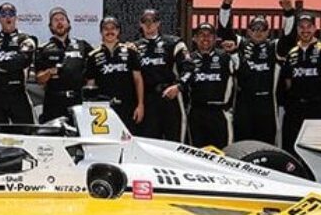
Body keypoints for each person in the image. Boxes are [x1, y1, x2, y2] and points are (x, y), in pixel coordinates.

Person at [218, 0, 297, 143]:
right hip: (243, 103)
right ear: (248, 31)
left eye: (263, 29)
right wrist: (226, 5)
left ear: (268, 32)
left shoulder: (274, 47)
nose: (258, 32)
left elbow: (289, 37)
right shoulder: (240, 43)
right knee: (241, 142)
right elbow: (225, 31)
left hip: (267, 104)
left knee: (267, 144)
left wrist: (289, 12)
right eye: (254, 28)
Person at [281, 16, 321, 152]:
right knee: (292, 146)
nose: (305, 30)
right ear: (297, 29)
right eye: (301, 27)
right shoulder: (291, 52)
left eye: (309, 26)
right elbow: (287, 81)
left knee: (317, 148)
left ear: (314, 28)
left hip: (318, 107)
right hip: (295, 108)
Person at [134, 8, 193, 141]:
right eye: (145, 21)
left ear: (159, 23)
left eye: (153, 21)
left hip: (170, 97)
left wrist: (179, 86)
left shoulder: (174, 43)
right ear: (140, 24)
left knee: (177, 141)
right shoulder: (134, 47)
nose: (149, 25)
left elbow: (189, 69)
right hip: (147, 100)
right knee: (149, 142)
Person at [84, 16, 145, 133]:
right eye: (106, 29)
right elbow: (90, 85)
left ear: (118, 31)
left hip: (128, 106)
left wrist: (140, 105)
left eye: (113, 28)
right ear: (101, 32)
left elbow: (138, 79)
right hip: (103, 110)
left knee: (128, 141)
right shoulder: (93, 56)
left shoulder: (130, 52)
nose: (110, 32)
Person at [34, 7, 93, 123]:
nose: (59, 22)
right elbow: (39, 79)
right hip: (54, 101)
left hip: (77, 100)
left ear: (68, 23)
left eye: (62, 19)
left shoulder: (82, 45)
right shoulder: (43, 49)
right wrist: (49, 72)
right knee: (53, 137)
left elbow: (96, 60)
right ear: (50, 26)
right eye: (55, 20)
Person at [185, 22, 238, 148]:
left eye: (209, 35)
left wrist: (235, 52)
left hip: (220, 113)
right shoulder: (188, 59)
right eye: (201, 35)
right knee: (197, 153)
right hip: (196, 113)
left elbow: (244, 74)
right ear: (194, 38)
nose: (205, 38)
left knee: (224, 153)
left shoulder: (225, 57)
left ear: (215, 39)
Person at [0, 2, 36, 124]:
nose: (8, 17)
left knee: (26, 132)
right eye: (3, 14)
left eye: (11, 14)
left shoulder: (26, 39)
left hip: (17, 92)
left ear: (16, 18)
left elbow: (18, 63)